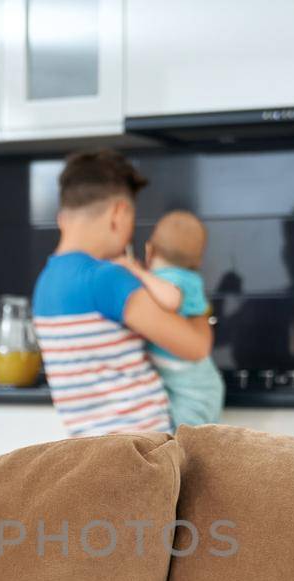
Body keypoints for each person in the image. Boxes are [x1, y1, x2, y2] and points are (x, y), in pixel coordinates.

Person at [31, 148, 212, 437]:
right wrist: (195, 300)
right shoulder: (106, 279)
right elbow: (195, 347)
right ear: (119, 213)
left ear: (63, 216)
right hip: (145, 451)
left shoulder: (45, 283)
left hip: (92, 453)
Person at [118, 209, 224, 427]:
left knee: (184, 441)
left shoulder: (175, 279)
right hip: (192, 380)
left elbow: (171, 299)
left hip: (193, 384)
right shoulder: (189, 278)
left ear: (149, 251)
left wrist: (138, 272)